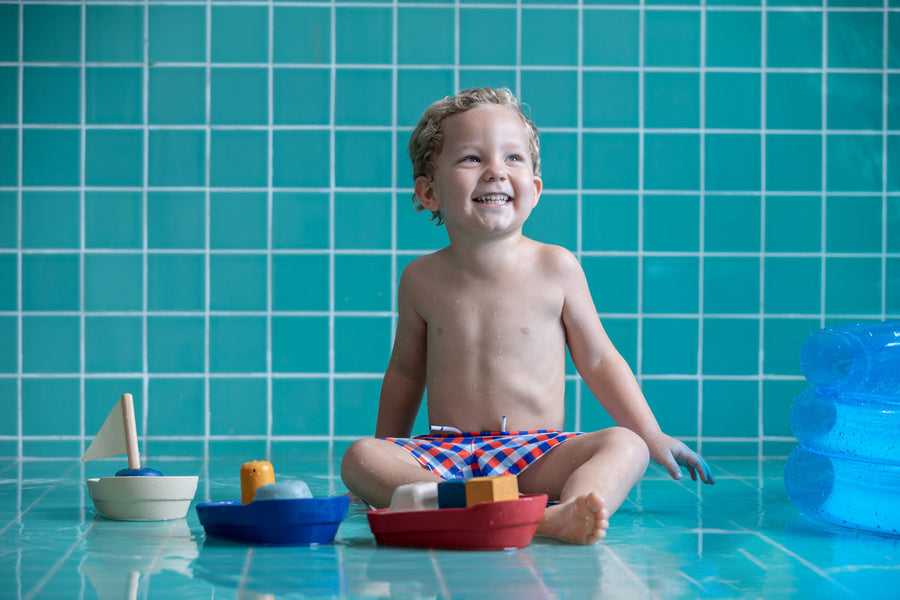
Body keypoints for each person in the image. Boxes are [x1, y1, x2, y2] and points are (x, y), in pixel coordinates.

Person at [340, 87, 714, 544]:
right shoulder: (420, 278)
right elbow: (403, 373)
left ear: (534, 190)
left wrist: (652, 434)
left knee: (625, 445)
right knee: (359, 457)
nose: (496, 171)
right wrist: (388, 452)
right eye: (472, 159)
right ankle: (533, 520)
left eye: (513, 158)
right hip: (446, 454)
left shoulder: (555, 267)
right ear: (429, 191)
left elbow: (599, 360)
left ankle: (571, 508)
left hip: (534, 453)